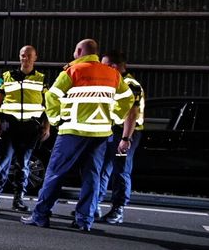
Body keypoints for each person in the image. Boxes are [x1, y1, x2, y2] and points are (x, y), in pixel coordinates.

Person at [21, 39, 133, 230]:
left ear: (80, 51)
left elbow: (51, 96)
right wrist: (113, 117)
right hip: (100, 133)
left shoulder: (73, 71)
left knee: (55, 173)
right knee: (92, 177)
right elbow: (127, 98)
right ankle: (84, 221)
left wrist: (56, 119)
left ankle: (41, 215)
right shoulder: (112, 73)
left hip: (73, 131)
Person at [0, 45, 50, 212]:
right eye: (22, 55)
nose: (25, 59)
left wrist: (46, 126)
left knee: (24, 164)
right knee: (2, 162)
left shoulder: (41, 79)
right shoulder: (8, 76)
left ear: (35, 58)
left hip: (30, 128)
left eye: (28, 56)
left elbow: (49, 105)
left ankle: (18, 199)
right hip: (9, 126)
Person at [94, 50, 142, 224]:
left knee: (121, 170)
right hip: (110, 131)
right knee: (102, 168)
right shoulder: (112, 81)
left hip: (125, 134)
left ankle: (118, 209)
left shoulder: (130, 84)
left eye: (104, 65)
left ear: (114, 66)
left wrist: (126, 139)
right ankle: (95, 205)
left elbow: (132, 113)